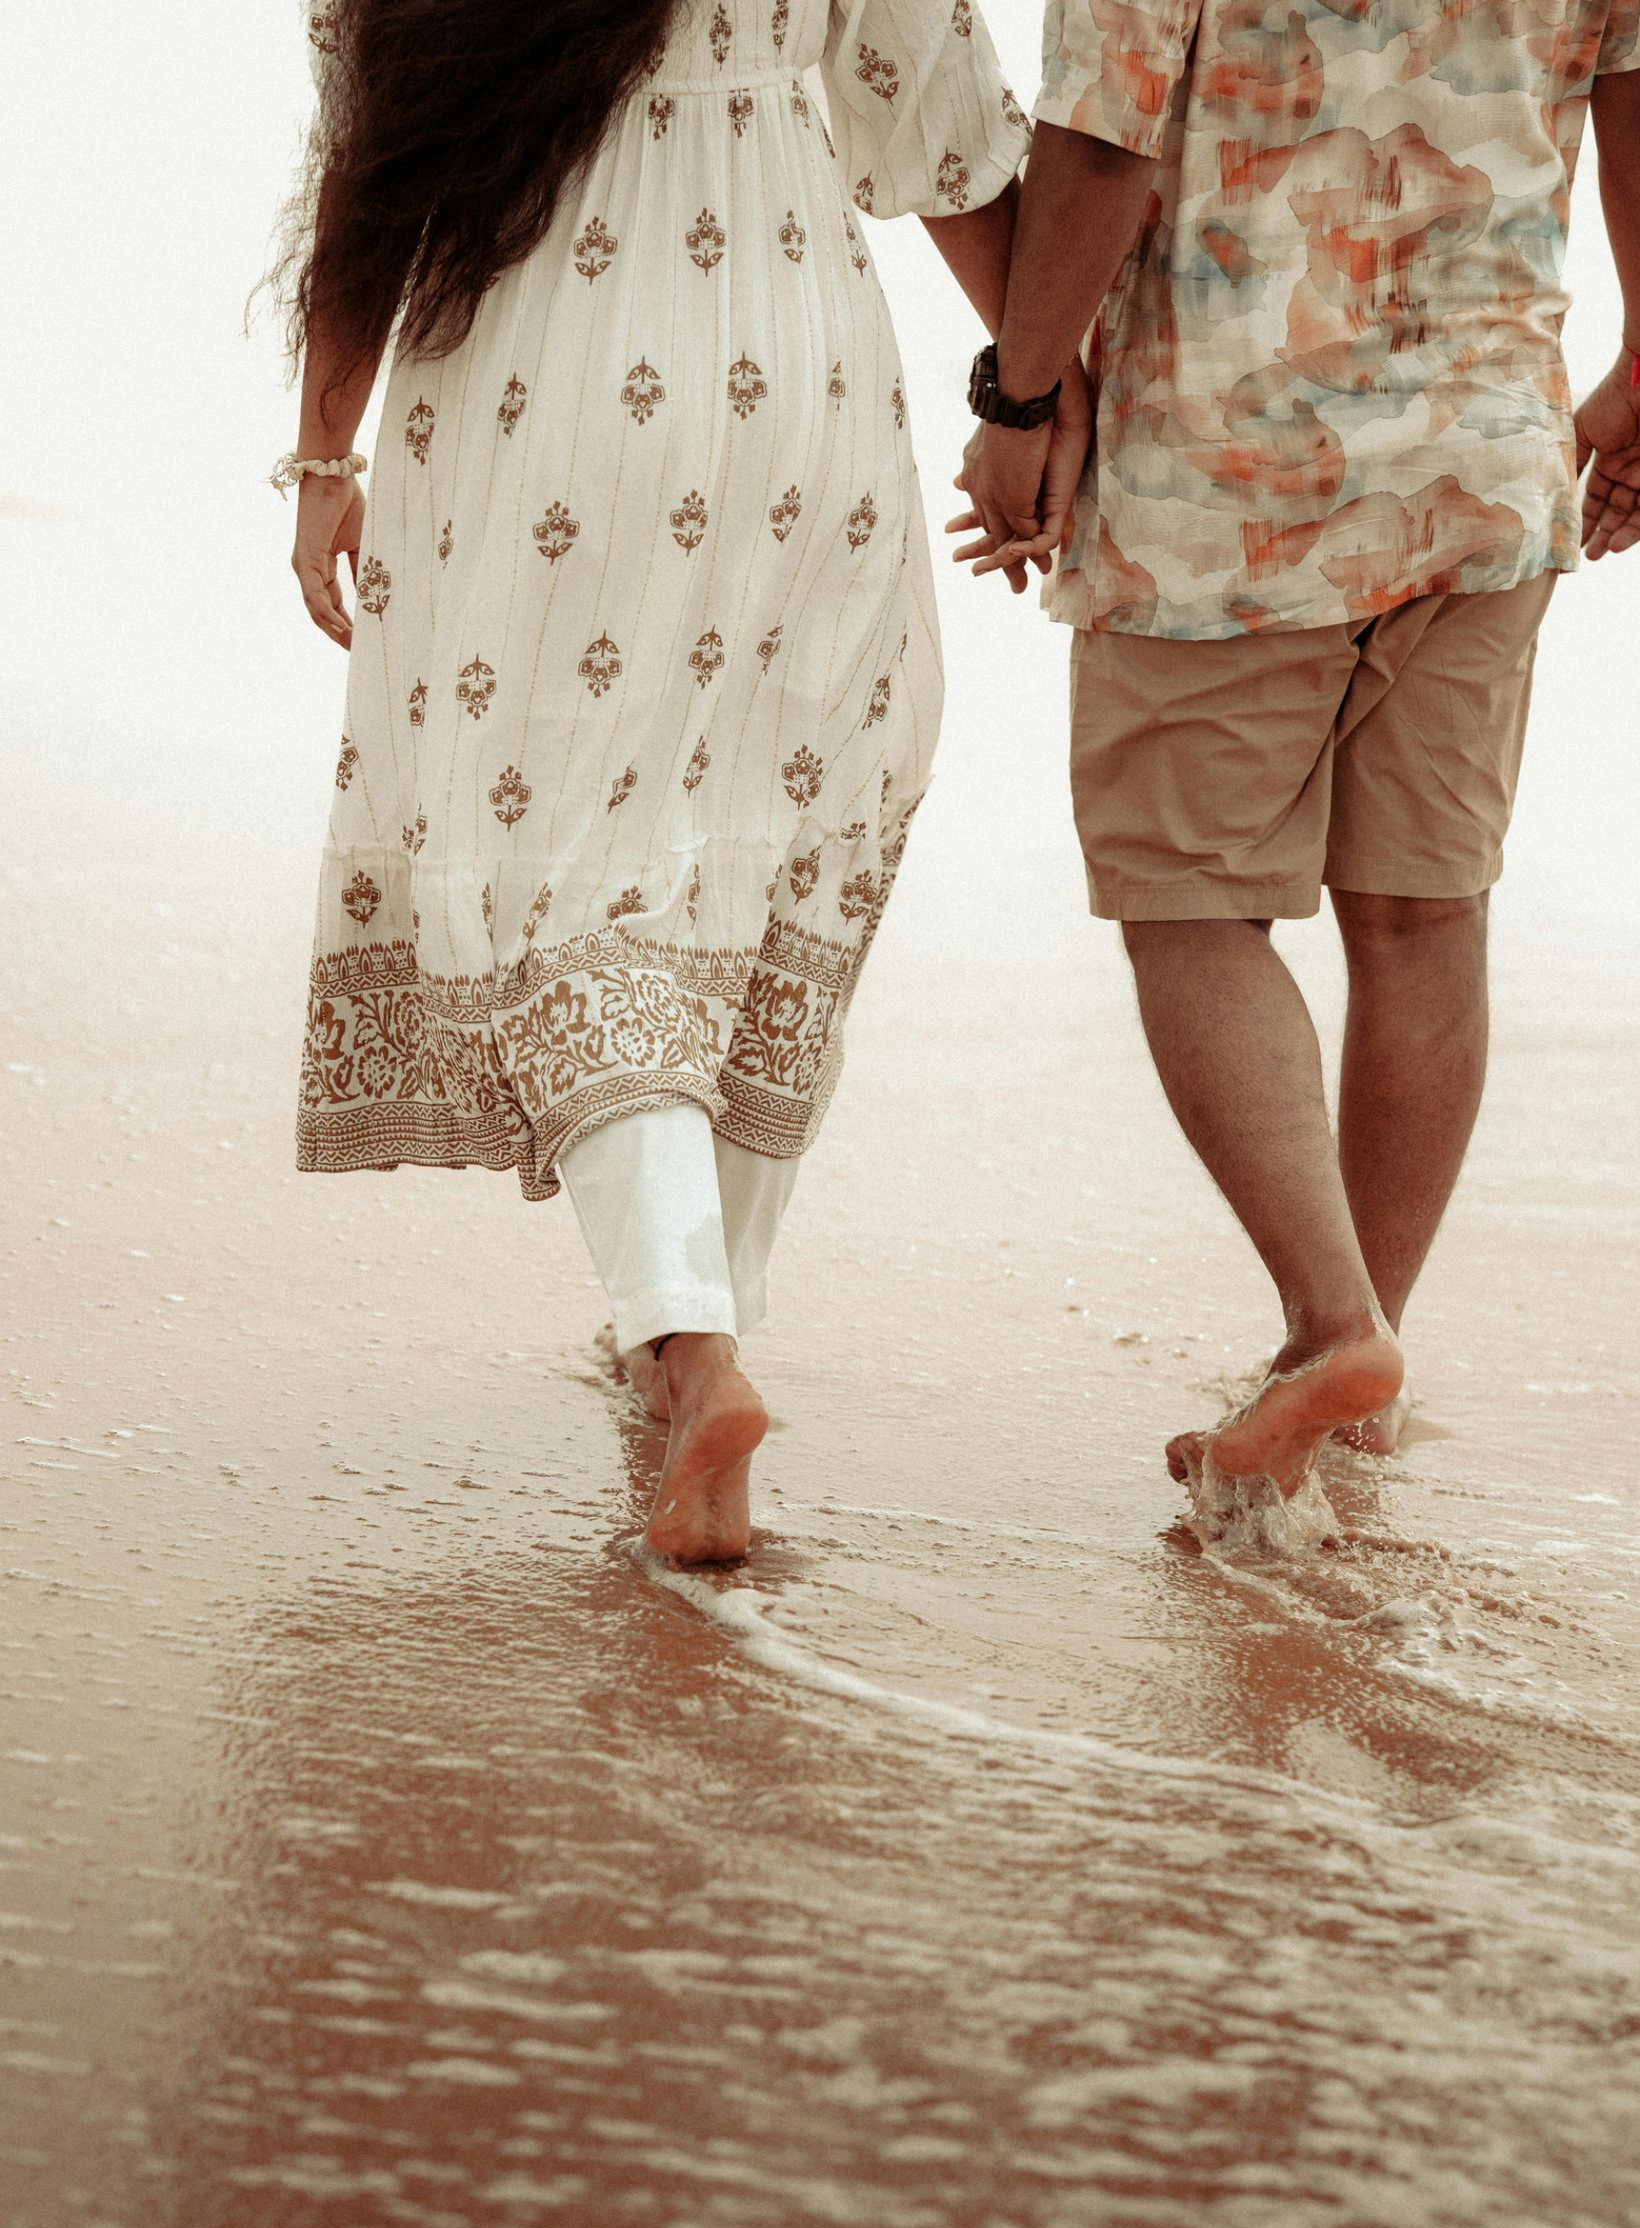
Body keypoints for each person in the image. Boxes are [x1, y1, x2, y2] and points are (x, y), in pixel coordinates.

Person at [279, 0, 1042, 1564]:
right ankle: (706, 1317)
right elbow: (944, 134)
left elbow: (372, 170)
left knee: (570, 870)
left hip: (535, 381)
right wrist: (1046, 388)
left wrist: (322, 458)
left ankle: (691, 1342)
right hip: (798, 371)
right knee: (770, 835)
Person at [953, 0, 1640, 1499]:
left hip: (1216, 478)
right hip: (1484, 462)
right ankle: (1362, 1373)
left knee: (1189, 901)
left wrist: (1024, 391)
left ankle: (1331, 1329)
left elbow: (1103, 140)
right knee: (1423, 911)